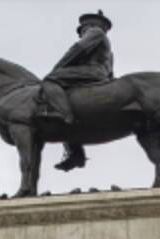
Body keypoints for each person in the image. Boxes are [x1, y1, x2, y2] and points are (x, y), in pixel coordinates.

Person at [41, 10, 114, 171]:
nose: (82, 32)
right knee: (69, 100)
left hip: (92, 72)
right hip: (98, 75)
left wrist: (57, 69)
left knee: (50, 80)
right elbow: (111, 72)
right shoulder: (108, 47)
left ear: (90, 25)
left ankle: (63, 115)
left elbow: (77, 49)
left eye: (82, 28)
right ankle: (75, 153)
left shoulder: (95, 32)